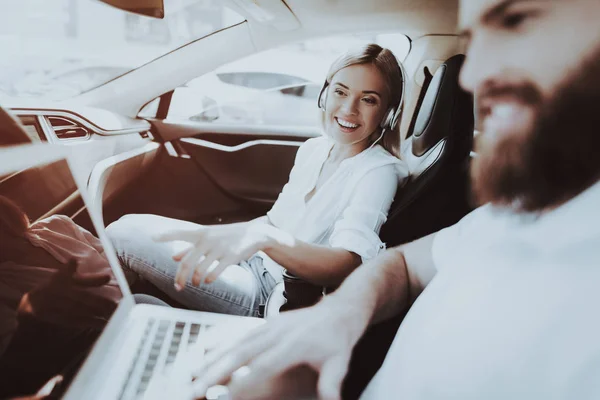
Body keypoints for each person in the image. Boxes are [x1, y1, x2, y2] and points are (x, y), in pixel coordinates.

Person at [187, 1, 600, 399]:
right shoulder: (510, 215)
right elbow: (403, 266)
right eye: (474, 39)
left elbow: (349, 258)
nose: (473, 77)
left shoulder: (380, 171)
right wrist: (339, 316)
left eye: (516, 20)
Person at [106, 44, 409, 317]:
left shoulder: (377, 172)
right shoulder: (315, 148)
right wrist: (222, 237)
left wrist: (265, 240)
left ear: (387, 113)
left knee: (122, 235)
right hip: (249, 262)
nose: (348, 109)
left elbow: (348, 264)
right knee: (135, 296)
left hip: (272, 293)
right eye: (341, 92)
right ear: (325, 93)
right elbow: (274, 222)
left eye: (368, 100)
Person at [0, 195, 120, 398]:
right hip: (99, 338)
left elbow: (117, 262)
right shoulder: (4, 289)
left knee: (122, 228)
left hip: (133, 295)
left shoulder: (57, 224)